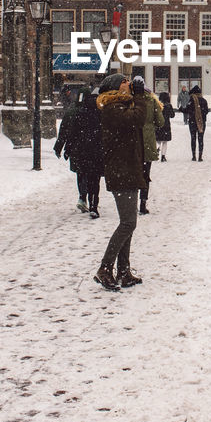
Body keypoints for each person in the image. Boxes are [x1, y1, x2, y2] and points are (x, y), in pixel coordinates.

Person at [94, 72, 148, 291]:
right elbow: (138, 118)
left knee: (129, 223)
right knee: (128, 223)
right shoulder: (112, 109)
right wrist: (140, 96)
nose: (129, 84)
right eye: (125, 82)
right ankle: (105, 268)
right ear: (116, 88)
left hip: (127, 170)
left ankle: (124, 271)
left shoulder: (121, 106)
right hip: (122, 172)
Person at [53, 88, 104, 217]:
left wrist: (64, 148)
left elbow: (69, 133)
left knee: (81, 174)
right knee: (94, 179)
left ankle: (82, 196)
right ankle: (94, 204)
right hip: (96, 152)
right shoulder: (100, 114)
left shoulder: (76, 113)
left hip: (80, 151)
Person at [134, 76, 164, 215]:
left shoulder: (129, 100)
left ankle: (132, 201)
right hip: (147, 142)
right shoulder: (152, 100)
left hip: (132, 142)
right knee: (146, 174)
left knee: (133, 173)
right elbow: (160, 121)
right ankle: (143, 203)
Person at [182, 84, 210, 161]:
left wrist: (182, 109)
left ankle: (194, 156)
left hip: (192, 122)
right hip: (201, 123)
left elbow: (187, 110)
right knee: (201, 139)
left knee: (193, 138)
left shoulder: (191, 100)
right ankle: (200, 156)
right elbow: (206, 111)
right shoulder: (204, 100)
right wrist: (201, 116)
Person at [156, 91, 175, 162]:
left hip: (158, 124)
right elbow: (172, 115)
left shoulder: (158, 104)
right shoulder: (168, 105)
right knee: (165, 141)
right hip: (166, 125)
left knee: (158, 140)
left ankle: (157, 148)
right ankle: (163, 156)